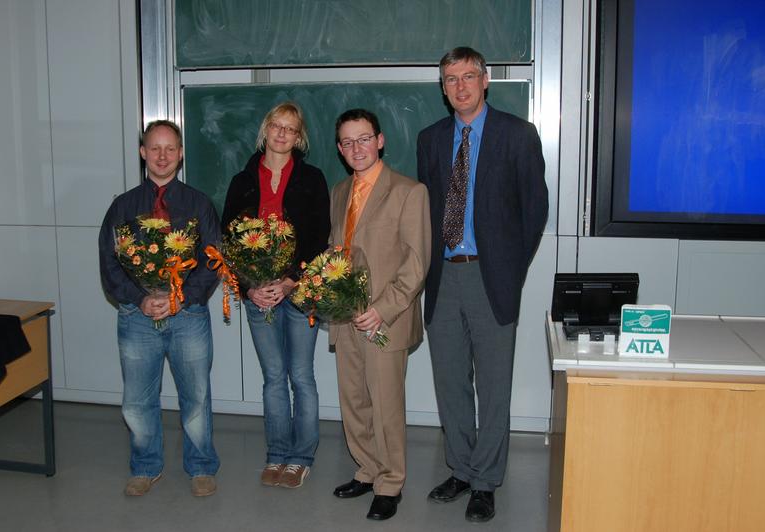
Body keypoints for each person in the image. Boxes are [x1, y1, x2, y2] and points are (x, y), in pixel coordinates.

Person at [417, 47, 548, 523]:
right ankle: (461, 469)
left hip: (491, 277)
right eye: (451, 79)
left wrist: (511, 270)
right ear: (443, 87)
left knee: (493, 387)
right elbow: (427, 211)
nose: (460, 86)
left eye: (469, 76)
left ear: (486, 80)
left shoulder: (518, 134)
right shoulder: (430, 139)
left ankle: (486, 481)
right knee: (450, 382)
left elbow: (534, 211)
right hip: (443, 276)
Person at [99, 119, 222, 497]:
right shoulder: (122, 207)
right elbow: (109, 263)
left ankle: (201, 467)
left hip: (188, 315)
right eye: (155, 148)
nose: (162, 156)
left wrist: (179, 298)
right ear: (143, 153)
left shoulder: (199, 204)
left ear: (181, 154)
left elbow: (212, 259)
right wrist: (140, 298)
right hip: (137, 317)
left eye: (170, 148)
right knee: (137, 401)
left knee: (196, 397)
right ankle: (145, 467)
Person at [221, 102, 330, 489]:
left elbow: (319, 236)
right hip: (258, 296)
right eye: (276, 126)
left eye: (291, 128)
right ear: (265, 130)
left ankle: (301, 458)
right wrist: (249, 286)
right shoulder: (242, 180)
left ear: (299, 138)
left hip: (298, 294)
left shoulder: (312, 179)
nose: (282, 134)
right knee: (272, 378)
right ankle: (277, 453)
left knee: (301, 376)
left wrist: (289, 281)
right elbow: (229, 240)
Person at [328, 109, 431, 521]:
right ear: (340, 149)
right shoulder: (339, 192)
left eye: (364, 138)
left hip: (384, 320)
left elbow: (416, 263)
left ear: (380, 140)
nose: (357, 148)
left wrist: (382, 309)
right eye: (348, 142)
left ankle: (390, 483)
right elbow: (336, 251)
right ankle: (367, 470)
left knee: (386, 404)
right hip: (345, 317)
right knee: (354, 400)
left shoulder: (409, 192)